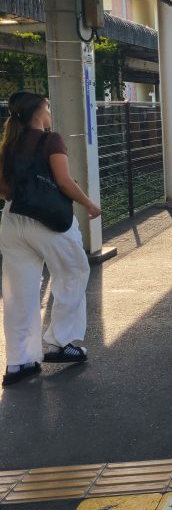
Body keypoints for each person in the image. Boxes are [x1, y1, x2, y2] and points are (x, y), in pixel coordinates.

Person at [0, 92, 101, 387]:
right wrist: (89, 204)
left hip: (13, 219)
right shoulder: (50, 139)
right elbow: (63, 181)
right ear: (39, 111)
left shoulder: (9, 143)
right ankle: (61, 343)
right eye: (47, 106)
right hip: (49, 220)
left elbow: (4, 189)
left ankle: (19, 363)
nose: (50, 111)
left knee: (19, 292)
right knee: (74, 270)